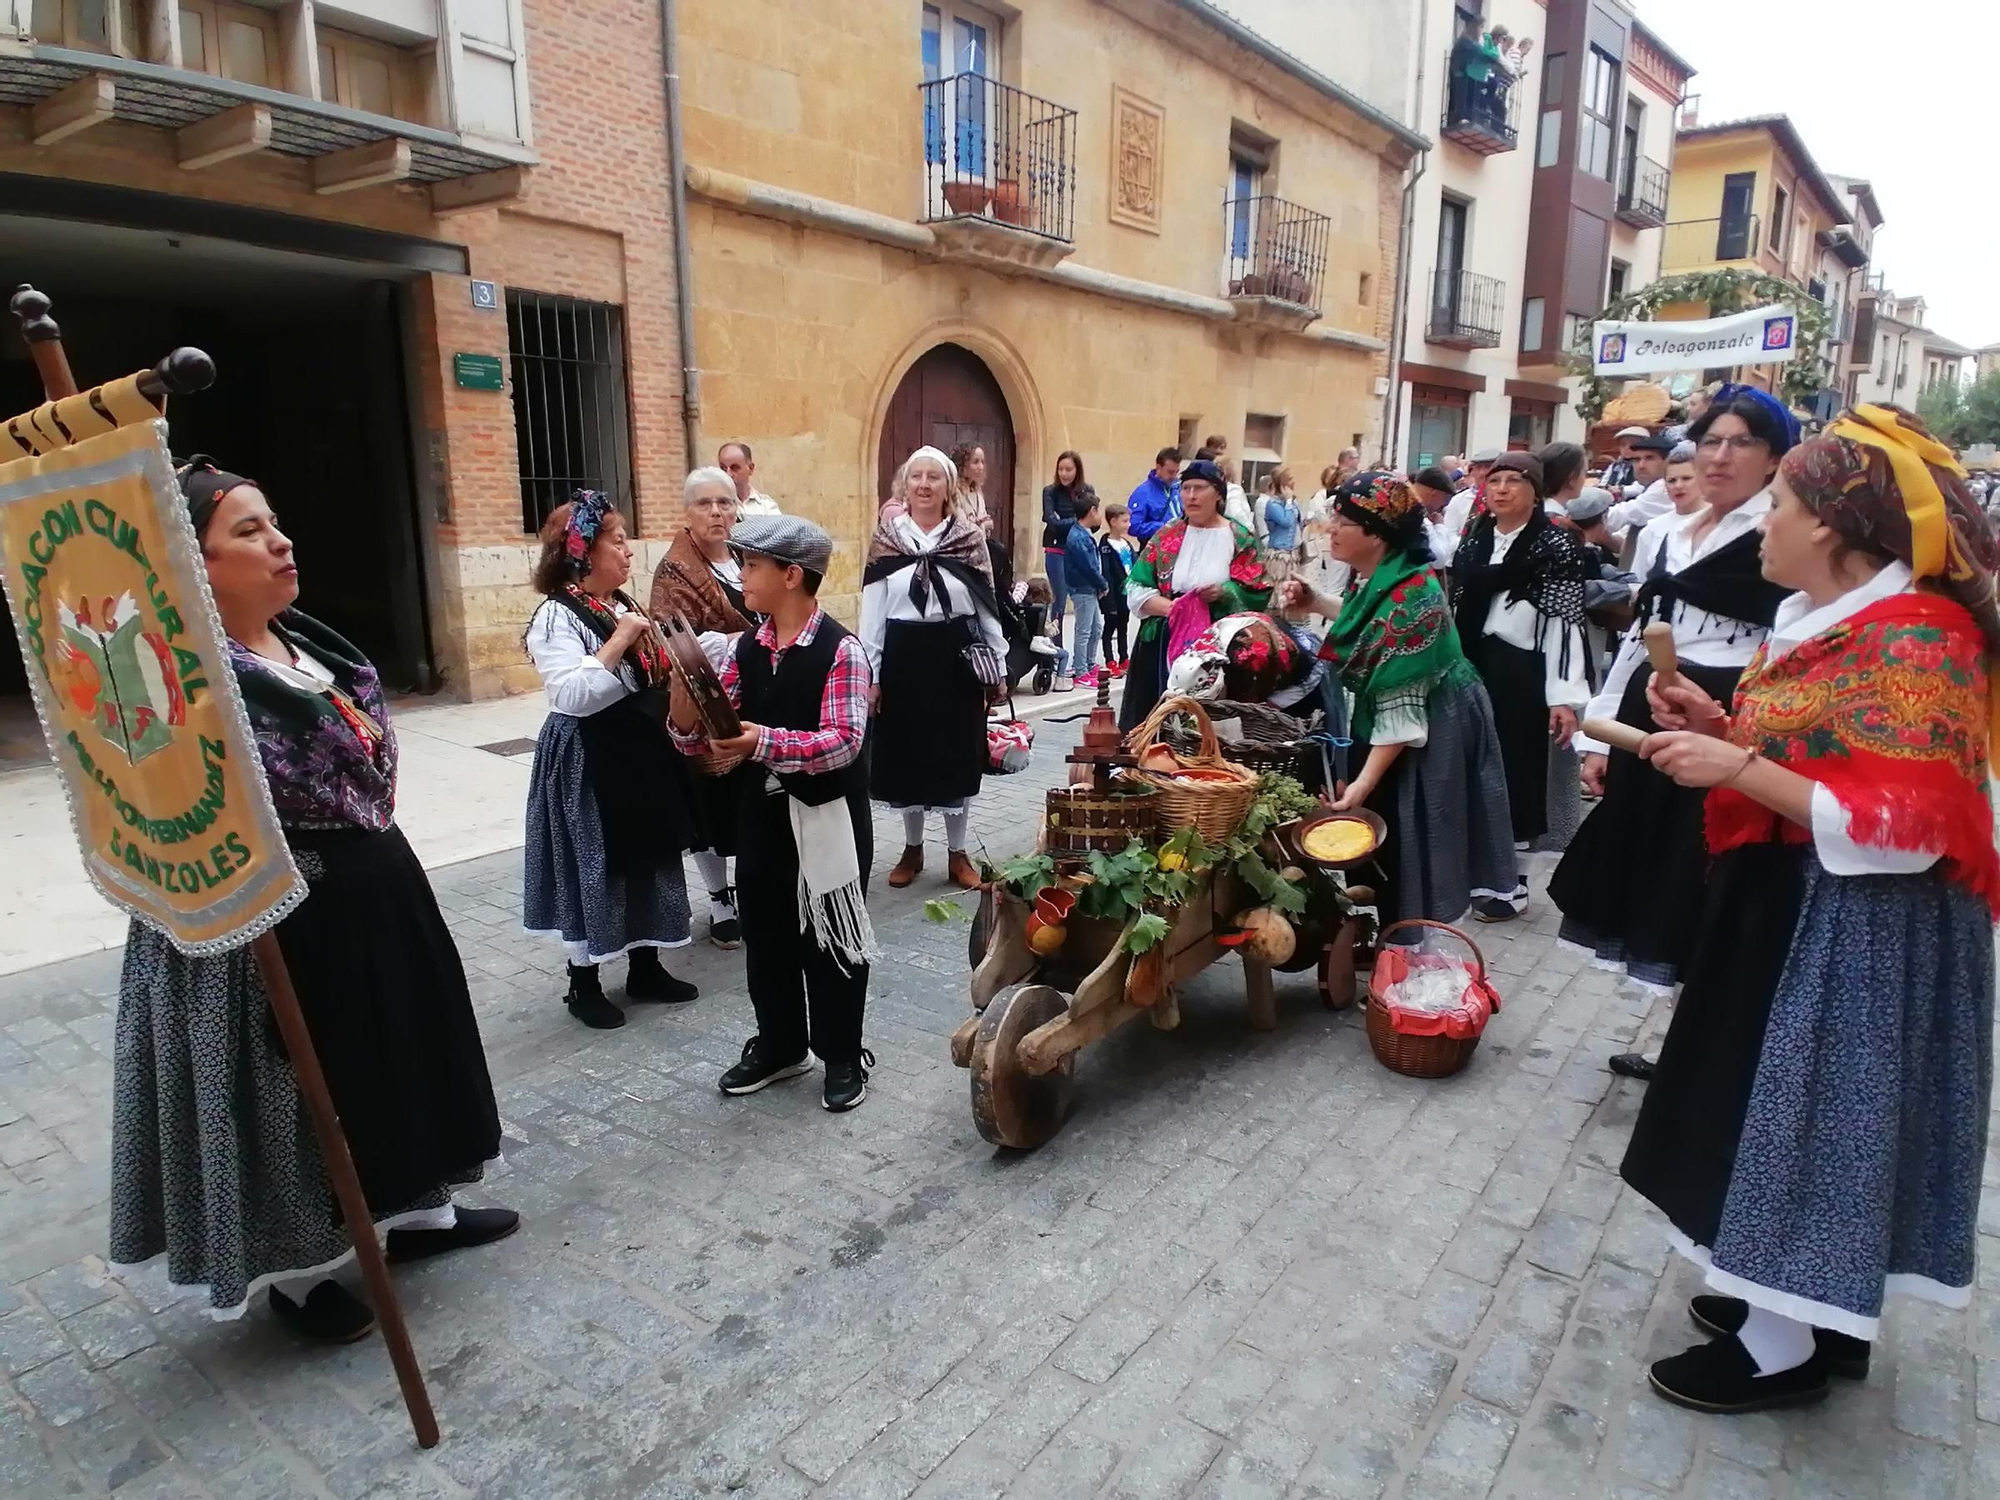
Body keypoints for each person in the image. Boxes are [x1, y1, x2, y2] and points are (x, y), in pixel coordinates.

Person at [1621, 406, 1999, 1415]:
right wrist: (1719, 722)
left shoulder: (1920, 640)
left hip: (1862, 929)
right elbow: (1825, 749)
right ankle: (1786, 1310)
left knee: (1813, 1119)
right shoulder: (1833, 622)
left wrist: (1735, 763)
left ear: (1829, 526)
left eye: (1777, 504)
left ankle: (1780, 1348)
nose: (1760, 523)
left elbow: (1908, 829)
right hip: (1793, 901)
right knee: (1770, 1108)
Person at [112, 460, 514, 1342]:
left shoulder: (313, 648)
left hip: (371, 888)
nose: (280, 540)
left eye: (274, 520)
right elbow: (147, 795)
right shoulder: (177, 682)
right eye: (247, 531)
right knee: (293, 1091)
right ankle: (301, 1272)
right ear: (191, 564)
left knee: (400, 1052)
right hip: (263, 919)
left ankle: (417, 1213)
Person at [1554, 387, 1796, 1035]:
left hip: (1729, 714)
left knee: (1703, 875)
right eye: (1711, 440)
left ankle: (1702, 1036)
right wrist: (1603, 736)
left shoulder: (1781, 532)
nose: (1720, 456)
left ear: (1774, 458)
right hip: (1650, 711)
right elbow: (1640, 633)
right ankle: (1676, 1037)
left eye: (1741, 442)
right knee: (1655, 868)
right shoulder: (1671, 531)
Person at [667, 516, 881, 1113]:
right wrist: (686, 718)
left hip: (828, 815)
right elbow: (715, 733)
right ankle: (783, 1046)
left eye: (752, 566)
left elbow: (842, 742)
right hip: (761, 817)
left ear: (792, 575)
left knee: (833, 936)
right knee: (766, 934)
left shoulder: (843, 650)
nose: (742, 576)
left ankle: (843, 1053)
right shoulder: (744, 647)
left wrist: (761, 742)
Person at [1279, 473, 1517, 928]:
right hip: (1405, 713)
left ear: (1376, 531)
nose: (1330, 529)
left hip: (1431, 722)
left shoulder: (1414, 602)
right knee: (1396, 822)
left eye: (1343, 521)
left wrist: (1360, 789)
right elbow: (1368, 621)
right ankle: (1395, 934)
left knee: (1413, 826)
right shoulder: (1383, 574)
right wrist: (1317, 601)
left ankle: (1410, 942)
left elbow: (1401, 721)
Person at [524, 491, 699, 1029]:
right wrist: (620, 640)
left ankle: (645, 966)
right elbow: (572, 696)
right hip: (588, 756)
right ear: (583, 551)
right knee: (596, 862)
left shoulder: (620, 604)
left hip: (637, 748)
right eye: (617, 541)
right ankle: (583, 983)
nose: (628, 552)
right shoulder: (557, 614)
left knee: (647, 853)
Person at [863, 446, 1009, 889]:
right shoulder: (888, 539)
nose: (924, 485)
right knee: (907, 756)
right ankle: (912, 850)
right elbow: (873, 611)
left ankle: (957, 853)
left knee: (957, 755)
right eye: (916, 477)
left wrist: (998, 664)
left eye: (934, 477)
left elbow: (986, 605)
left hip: (956, 657)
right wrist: (871, 675)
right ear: (904, 486)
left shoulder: (968, 539)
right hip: (903, 658)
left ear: (949, 486)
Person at [1450, 451, 1590, 901]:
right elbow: (1458, 603)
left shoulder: (1556, 545)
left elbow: (1565, 623)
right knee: (1474, 765)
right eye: (1495, 481)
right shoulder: (1474, 540)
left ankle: (1514, 880)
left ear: (1536, 491)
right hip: (1474, 663)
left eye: (1515, 480)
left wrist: (1562, 696)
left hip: (1523, 669)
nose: (1502, 489)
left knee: (1519, 772)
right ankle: (1476, 868)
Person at [650, 466, 758, 948]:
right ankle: (718, 899)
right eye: (704, 504)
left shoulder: (748, 556)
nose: (716, 512)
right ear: (687, 513)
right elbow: (673, 641)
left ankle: (753, 886)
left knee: (751, 799)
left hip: (755, 695)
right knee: (708, 806)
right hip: (701, 703)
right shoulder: (674, 571)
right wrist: (747, 639)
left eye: (725, 503)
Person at [1118, 458, 1272, 730]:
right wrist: (1174, 608)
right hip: (1162, 640)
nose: (1191, 496)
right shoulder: (1167, 535)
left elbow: (1257, 591)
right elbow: (1136, 587)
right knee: (1154, 718)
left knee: (1208, 723)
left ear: (1218, 494)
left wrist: (1224, 593)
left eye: (1199, 488)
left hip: (1219, 643)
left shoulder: (1239, 536)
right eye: (1185, 488)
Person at [1060, 491, 1108, 688]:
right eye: (1098, 511)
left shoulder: (1084, 534)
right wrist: (1102, 583)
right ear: (1092, 511)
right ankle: (1080, 670)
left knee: (1096, 628)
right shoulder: (1078, 537)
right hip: (1083, 588)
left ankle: (1088, 663)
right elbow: (1088, 566)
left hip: (1089, 588)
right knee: (1084, 630)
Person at [1041, 450, 1090, 634]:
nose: (1064, 473)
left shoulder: (1087, 491)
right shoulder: (1050, 491)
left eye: (1068, 469)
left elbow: (1092, 523)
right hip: (1056, 550)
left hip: (1078, 552)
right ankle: (1056, 646)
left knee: (1083, 599)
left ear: (1077, 470)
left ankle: (1082, 653)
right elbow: (1051, 521)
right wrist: (1077, 521)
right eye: (1060, 469)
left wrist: (1067, 521)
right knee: (1059, 599)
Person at [1605, 434, 1675, 539]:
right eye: (1637, 459)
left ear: (1667, 462)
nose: (1641, 466)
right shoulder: (1647, 485)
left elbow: (1619, 515)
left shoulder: (1664, 488)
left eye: (1649, 458)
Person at [1099, 502, 1135, 676]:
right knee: (1110, 626)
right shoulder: (1106, 545)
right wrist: (1108, 598)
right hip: (1113, 594)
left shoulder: (1126, 544)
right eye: (1125, 521)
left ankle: (1124, 657)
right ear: (1113, 522)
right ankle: (1109, 659)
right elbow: (1106, 572)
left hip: (1126, 593)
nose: (1128, 525)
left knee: (1124, 627)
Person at [1127, 446, 1182, 543]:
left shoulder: (1178, 488)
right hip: (1156, 549)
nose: (1174, 476)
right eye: (1170, 472)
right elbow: (1133, 526)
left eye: (1176, 472)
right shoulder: (1143, 493)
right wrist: (1164, 526)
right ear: (1158, 467)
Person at [1410, 465, 1460, 567]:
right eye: (1445, 498)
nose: (1443, 504)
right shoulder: (1417, 515)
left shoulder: (1401, 503)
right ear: (1433, 493)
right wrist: (1439, 526)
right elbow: (1439, 558)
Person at [718, 441, 781, 517]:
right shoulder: (713, 506)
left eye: (735, 468)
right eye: (723, 468)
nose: (728, 474)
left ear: (751, 468)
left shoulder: (766, 506)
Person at [949, 442, 997, 537]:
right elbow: (961, 526)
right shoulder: (954, 493)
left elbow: (988, 524)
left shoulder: (978, 493)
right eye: (975, 462)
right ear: (962, 466)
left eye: (982, 462)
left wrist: (982, 524)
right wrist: (981, 524)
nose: (981, 467)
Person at [1601, 426, 1651, 496]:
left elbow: (1640, 487)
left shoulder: (1645, 465)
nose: (1627, 448)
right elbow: (1604, 482)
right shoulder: (1615, 465)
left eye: (1632, 444)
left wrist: (1620, 490)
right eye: (1623, 444)